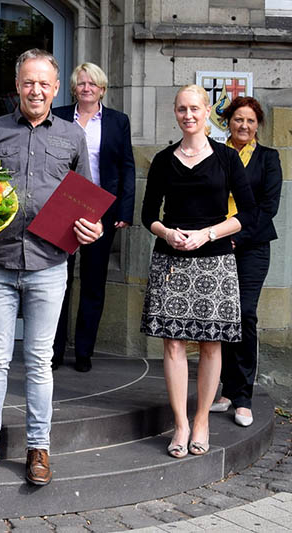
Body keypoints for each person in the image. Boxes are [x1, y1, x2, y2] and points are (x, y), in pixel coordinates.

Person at [0, 49, 102, 486]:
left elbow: (87, 198)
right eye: (28, 82)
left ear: (56, 88)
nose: (36, 90)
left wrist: (90, 227)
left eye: (44, 83)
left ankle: (38, 449)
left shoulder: (72, 136)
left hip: (48, 263)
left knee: (40, 362)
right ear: (17, 86)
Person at [140, 85, 255, 458]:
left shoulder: (225, 158)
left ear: (207, 112)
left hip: (215, 260)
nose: (188, 115)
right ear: (175, 113)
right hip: (171, 261)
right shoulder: (162, 159)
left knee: (210, 343)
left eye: (194, 108)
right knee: (172, 343)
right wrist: (167, 232)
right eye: (181, 109)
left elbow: (248, 214)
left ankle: (202, 418)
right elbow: (147, 216)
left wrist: (208, 233)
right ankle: (181, 423)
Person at [52, 63, 135, 372]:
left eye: (92, 84)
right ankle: (54, 351)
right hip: (62, 208)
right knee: (57, 282)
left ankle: (84, 351)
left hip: (102, 210)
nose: (86, 88)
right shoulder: (58, 116)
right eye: (81, 83)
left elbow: (127, 166)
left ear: (102, 89)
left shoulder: (117, 121)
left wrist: (125, 210)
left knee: (93, 282)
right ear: (74, 88)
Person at [211, 97, 282, 427]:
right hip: (217, 244)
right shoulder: (214, 154)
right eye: (238, 119)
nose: (244, 126)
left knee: (245, 313)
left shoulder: (268, 159)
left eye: (250, 121)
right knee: (222, 315)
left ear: (258, 125)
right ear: (228, 121)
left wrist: (237, 236)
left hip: (252, 246)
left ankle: (243, 396)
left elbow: (268, 207)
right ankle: (225, 389)